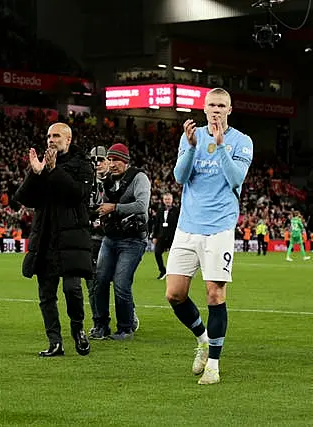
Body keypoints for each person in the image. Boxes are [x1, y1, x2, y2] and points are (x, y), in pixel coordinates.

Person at [165, 88, 253, 385]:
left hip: (220, 227)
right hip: (188, 226)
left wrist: (220, 145)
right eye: (212, 105)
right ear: (204, 108)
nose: (216, 109)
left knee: (215, 294)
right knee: (174, 293)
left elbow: (236, 179)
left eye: (222, 105)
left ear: (230, 109)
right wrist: (191, 147)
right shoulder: (191, 137)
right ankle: (203, 339)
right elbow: (179, 177)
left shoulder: (242, 141)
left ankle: (213, 365)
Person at [14, 122, 93, 357]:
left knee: (72, 288)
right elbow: (24, 197)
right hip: (45, 236)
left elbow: (77, 195)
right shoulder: (43, 166)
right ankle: (54, 342)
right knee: (46, 294)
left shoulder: (82, 165)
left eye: (56, 136)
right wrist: (36, 173)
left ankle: (78, 329)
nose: (50, 139)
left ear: (68, 140)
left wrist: (54, 170)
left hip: (71, 237)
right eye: (48, 135)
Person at [93, 143, 150, 341]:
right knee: (99, 281)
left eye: (117, 160)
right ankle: (100, 325)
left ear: (125, 161)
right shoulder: (106, 180)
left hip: (133, 240)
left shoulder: (139, 178)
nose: (113, 164)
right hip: (110, 238)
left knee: (121, 283)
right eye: (110, 160)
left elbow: (142, 206)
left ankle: (125, 328)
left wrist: (114, 208)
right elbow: (99, 204)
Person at [86, 145, 110, 339]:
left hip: (112, 239)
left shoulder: (116, 182)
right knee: (93, 283)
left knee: (119, 283)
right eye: (94, 161)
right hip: (90, 239)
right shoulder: (84, 184)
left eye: (101, 160)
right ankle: (99, 323)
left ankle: (128, 313)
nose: (98, 164)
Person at [152, 193, 179, 280]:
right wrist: (154, 236)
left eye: (169, 199)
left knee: (175, 255)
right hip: (161, 236)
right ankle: (162, 271)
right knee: (157, 253)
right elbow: (156, 224)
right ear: (163, 200)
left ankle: (174, 272)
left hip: (173, 237)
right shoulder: (160, 210)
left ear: (172, 200)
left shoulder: (177, 210)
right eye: (166, 199)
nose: (167, 201)